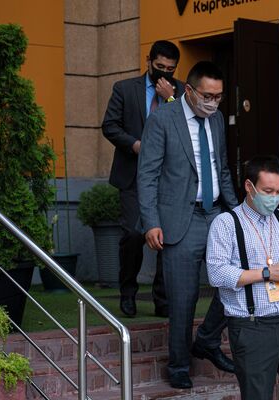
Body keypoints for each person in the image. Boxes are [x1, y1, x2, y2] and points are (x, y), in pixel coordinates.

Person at [137, 61, 238, 389]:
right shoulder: (162, 119)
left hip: (217, 215)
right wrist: (151, 222)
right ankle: (179, 365)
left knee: (238, 278)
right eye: (207, 96)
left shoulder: (217, 119)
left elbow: (222, 168)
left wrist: (239, 214)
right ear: (190, 90)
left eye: (219, 97)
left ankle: (207, 338)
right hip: (180, 219)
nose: (213, 102)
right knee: (183, 298)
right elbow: (147, 174)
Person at [206, 155, 279, 400]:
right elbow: (217, 273)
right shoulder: (226, 223)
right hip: (250, 326)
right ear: (249, 186)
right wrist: (267, 273)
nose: (274, 197)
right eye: (267, 191)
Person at [102, 40, 184, 318]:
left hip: (169, 178)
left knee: (168, 238)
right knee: (133, 234)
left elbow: (188, 128)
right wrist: (136, 145)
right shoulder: (125, 89)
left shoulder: (182, 92)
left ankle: (163, 298)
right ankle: (128, 292)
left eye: (170, 69)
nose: (164, 72)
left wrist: (170, 98)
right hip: (133, 176)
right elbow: (110, 126)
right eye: (159, 66)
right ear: (149, 60)